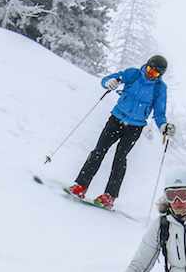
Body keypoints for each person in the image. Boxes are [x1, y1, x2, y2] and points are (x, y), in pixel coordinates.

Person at [67, 54, 175, 210]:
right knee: (98, 151)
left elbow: (159, 113)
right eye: (150, 70)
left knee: (120, 158)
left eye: (155, 74)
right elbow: (109, 79)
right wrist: (109, 83)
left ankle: (109, 196)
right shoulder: (133, 74)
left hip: (134, 127)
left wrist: (163, 126)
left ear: (160, 75)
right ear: (146, 65)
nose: (150, 75)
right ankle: (80, 186)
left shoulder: (159, 88)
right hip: (116, 119)